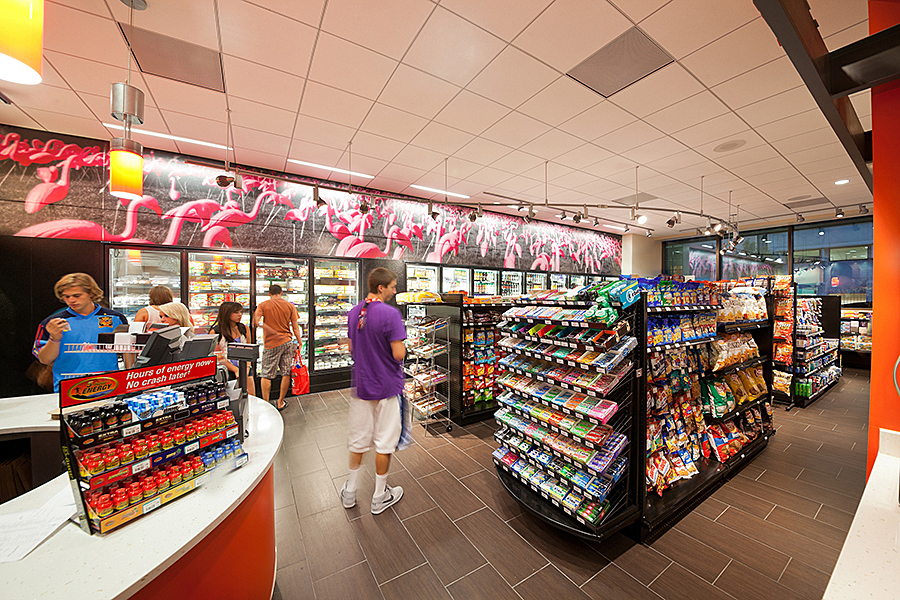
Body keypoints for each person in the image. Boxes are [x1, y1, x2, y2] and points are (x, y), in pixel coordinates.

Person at [340, 267, 406, 515]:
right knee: (384, 442)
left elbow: (351, 349)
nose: (394, 290)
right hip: (387, 386)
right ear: (381, 288)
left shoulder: (354, 312)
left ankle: (350, 490)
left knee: (358, 440)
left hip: (362, 384)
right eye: (392, 286)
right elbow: (398, 353)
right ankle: (380, 495)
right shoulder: (390, 314)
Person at [34, 273, 128, 392]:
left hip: (109, 384)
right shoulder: (52, 322)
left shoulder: (116, 318)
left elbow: (128, 352)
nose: (71, 300)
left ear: (91, 293)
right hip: (70, 388)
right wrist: (54, 338)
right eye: (66, 297)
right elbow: (44, 359)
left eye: (77, 295)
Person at [253, 284, 302, 411]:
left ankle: (266, 403)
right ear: (281, 293)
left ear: (269, 293)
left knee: (266, 374)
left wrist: (266, 327)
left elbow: (255, 322)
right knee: (286, 373)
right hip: (287, 342)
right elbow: (295, 327)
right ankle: (280, 402)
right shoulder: (289, 305)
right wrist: (299, 341)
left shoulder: (263, 305)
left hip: (271, 344)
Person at [210, 301, 256, 397]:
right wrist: (235, 370)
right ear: (227, 313)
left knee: (251, 397)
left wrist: (247, 367)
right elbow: (218, 357)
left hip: (245, 368)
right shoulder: (216, 331)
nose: (240, 315)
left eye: (241, 312)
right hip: (226, 370)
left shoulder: (244, 328)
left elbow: (249, 349)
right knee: (232, 399)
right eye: (236, 312)